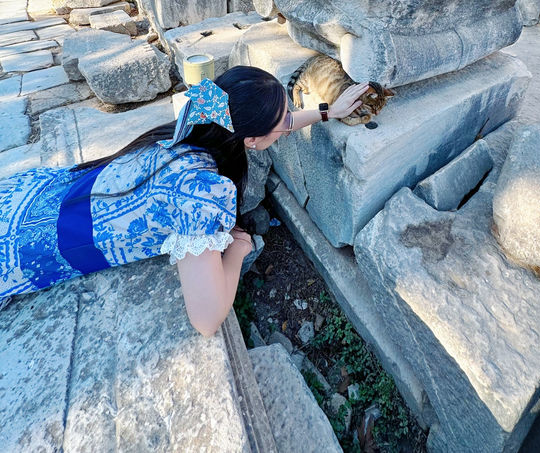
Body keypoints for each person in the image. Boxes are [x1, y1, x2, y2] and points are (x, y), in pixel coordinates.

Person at [0, 67, 368, 335]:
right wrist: (239, 248)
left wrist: (326, 111)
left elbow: (268, 124)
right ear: (251, 142)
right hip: (21, 251)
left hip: (26, 196)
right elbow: (206, 320)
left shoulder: (201, 109)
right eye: (281, 120)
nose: (287, 123)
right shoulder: (203, 194)